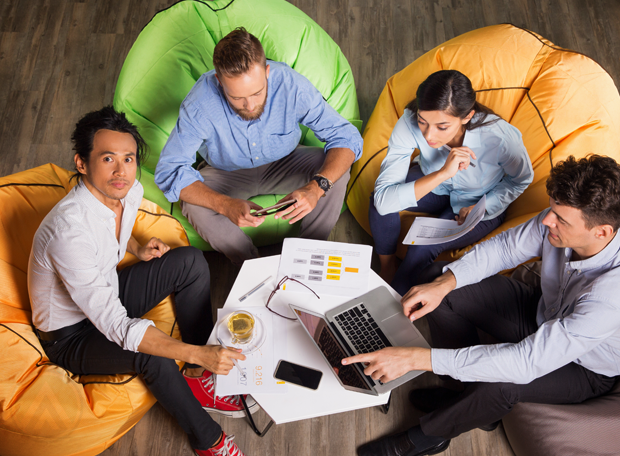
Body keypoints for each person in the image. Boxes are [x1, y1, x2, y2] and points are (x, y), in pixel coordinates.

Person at [344, 155, 620, 456]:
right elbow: (504, 249)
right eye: (552, 210)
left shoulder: (611, 299)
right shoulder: (563, 221)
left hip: (582, 367)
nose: (546, 220)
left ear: (602, 232)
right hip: (543, 314)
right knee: (437, 278)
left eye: (560, 219)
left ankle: (429, 436)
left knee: (500, 383)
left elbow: (526, 362)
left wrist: (416, 359)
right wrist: (445, 284)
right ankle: (458, 393)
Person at [28, 107, 255, 456]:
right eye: (108, 159)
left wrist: (134, 246)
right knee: (151, 355)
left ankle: (197, 378)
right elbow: (118, 327)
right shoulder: (68, 232)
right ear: (82, 163)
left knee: (191, 261)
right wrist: (200, 351)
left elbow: (113, 233)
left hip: (107, 293)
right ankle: (209, 441)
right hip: (72, 336)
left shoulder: (127, 191)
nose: (121, 171)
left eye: (129, 158)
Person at [155, 27, 363, 265]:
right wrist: (224, 205)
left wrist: (316, 188)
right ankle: (250, 265)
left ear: (267, 72)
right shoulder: (199, 103)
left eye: (257, 92)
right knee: (193, 204)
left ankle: (307, 257)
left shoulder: (290, 84)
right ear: (219, 81)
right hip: (225, 173)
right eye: (237, 98)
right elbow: (169, 171)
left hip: (286, 161)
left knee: (335, 171)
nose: (250, 105)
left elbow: (346, 137)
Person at [369, 70, 533, 295]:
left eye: (442, 127)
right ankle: (387, 266)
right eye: (423, 122)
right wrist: (443, 173)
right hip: (435, 184)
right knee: (379, 203)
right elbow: (384, 201)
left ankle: (390, 311)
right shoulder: (408, 122)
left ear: (466, 117)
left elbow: (521, 179)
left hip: (477, 202)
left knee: (420, 251)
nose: (428, 135)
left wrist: (483, 208)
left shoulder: (500, 137)